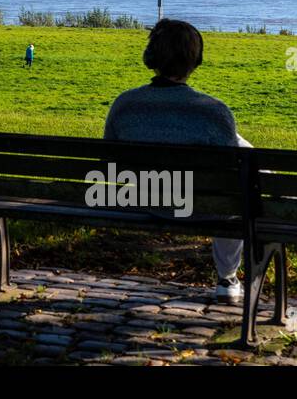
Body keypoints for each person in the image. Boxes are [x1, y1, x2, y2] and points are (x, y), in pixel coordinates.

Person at [103, 18, 250, 305]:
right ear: (195, 60)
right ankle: (227, 278)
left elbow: (108, 158)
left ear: (152, 57)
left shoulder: (125, 104)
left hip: (140, 200)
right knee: (241, 185)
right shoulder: (214, 113)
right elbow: (231, 177)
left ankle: (228, 278)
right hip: (203, 208)